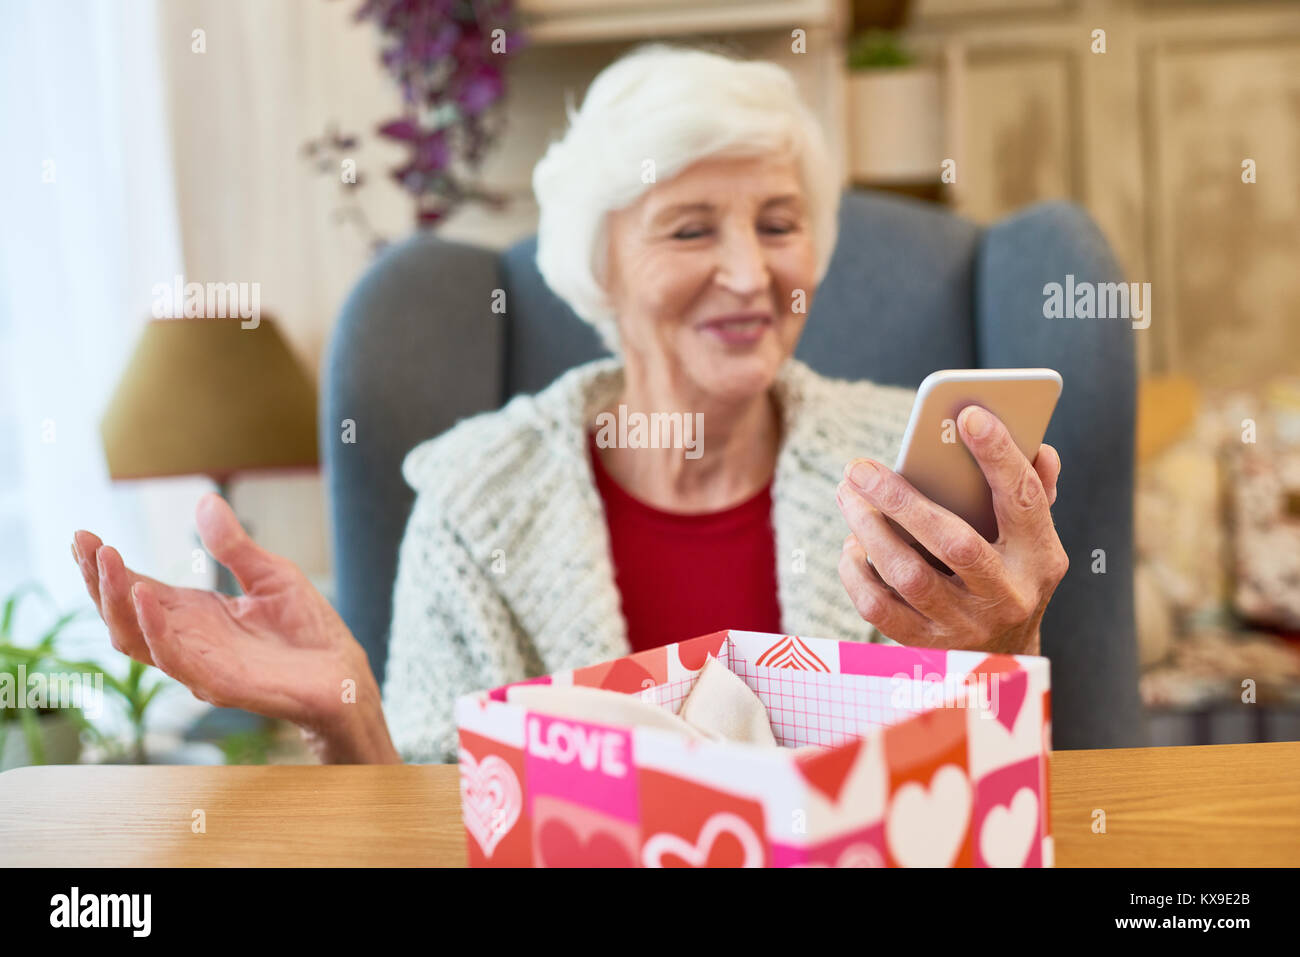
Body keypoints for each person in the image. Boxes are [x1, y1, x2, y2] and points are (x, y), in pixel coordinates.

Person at [71, 44, 1068, 765]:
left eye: (777, 223)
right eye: (688, 231)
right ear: (600, 267)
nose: (747, 272)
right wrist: (344, 717)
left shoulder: (897, 469)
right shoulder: (473, 499)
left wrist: (1002, 649)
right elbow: (434, 824)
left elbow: (973, 795)